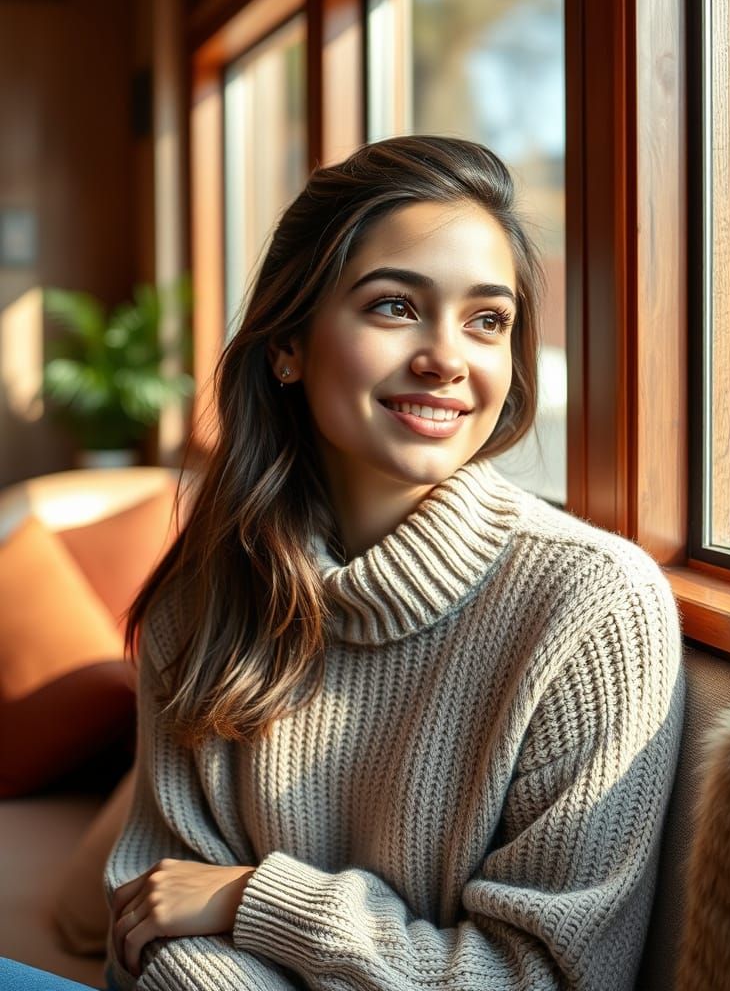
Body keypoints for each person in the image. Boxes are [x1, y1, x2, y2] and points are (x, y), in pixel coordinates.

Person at [104, 135, 684, 991]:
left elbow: (547, 978)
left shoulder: (593, 605)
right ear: (287, 345)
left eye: (488, 320)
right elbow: (151, 919)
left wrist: (257, 900)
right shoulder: (204, 597)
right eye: (394, 307)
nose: (448, 358)